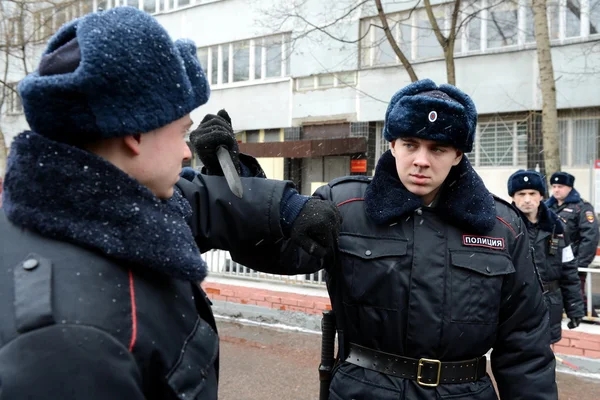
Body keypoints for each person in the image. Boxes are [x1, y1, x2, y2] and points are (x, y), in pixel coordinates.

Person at [0, 7, 339, 399]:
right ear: (134, 132)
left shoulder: (79, 202)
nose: (184, 151)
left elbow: (193, 199)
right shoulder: (71, 340)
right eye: (181, 132)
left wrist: (283, 205)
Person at [194, 79, 557, 399]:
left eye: (438, 149)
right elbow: (273, 250)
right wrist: (230, 176)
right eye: (410, 144)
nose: (421, 160)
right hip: (362, 390)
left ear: (458, 154)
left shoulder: (500, 226)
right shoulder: (344, 206)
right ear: (392, 144)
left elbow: (525, 345)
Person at [508, 169, 584, 343]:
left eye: (532, 193)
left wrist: (574, 308)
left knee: (545, 356)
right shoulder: (505, 227)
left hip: (550, 304)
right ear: (513, 196)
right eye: (521, 194)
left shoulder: (557, 227)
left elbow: (569, 270)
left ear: (541, 195)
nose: (527, 199)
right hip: (517, 304)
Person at [547, 172, 600, 319]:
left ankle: (588, 325)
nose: (556, 190)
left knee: (577, 300)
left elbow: (590, 237)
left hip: (573, 265)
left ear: (570, 187)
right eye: (554, 186)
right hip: (552, 264)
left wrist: (579, 263)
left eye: (561, 186)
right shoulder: (547, 207)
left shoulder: (582, 208)